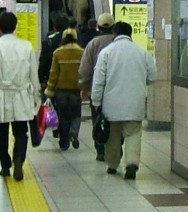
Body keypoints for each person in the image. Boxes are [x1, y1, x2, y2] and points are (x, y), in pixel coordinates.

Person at [0, 12, 40, 181]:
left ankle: (5, 165)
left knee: (1, 132)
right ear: (15, 26)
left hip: (0, 96)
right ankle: (18, 157)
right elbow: (33, 73)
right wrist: (36, 93)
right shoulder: (26, 46)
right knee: (21, 131)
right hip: (21, 95)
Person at [91, 21, 157, 180]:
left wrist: (96, 101)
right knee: (133, 133)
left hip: (111, 104)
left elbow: (99, 80)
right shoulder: (142, 53)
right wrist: (141, 82)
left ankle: (112, 165)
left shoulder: (106, 52)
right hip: (135, 102)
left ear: (114, 33)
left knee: (113, 136)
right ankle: (132, 164)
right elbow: (153, 76)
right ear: (130, 34)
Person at [79, 13, 116, 161]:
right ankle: (115, 146)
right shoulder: (117, 42)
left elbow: (85, 68)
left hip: (98, 89)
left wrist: (84, 87)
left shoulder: (93, 44)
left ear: (98, 28)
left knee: (98, 118)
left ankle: (100, 149)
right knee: (116, 120)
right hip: (116, 88)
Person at [45, 33, 85, 150]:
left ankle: (64, 142)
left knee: (63, 116)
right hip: (76, 89)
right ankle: (74, 131)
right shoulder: (82, 52)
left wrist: (50, 89)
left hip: (61, 90)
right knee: (76, 113)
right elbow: (84, 71)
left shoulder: (58, 53)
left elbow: (53, 74)